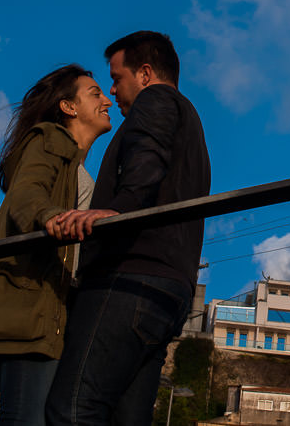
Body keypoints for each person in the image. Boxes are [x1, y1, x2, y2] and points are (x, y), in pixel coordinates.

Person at [45, 31, 210, 426]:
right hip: (170, 292)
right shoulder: (191, 126)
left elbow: (146, 156)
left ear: (146, 73)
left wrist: (116, 210)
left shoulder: (157, 100)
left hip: (128, 279)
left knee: (71, 410)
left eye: (117, 78)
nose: (113, 91)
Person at [0, 65, 113, 426]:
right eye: (96, 93)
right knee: (25, 419)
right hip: (29, 307)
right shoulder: (49, 137)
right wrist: (49, 215)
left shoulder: (76, 165)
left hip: (52, 308)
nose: (108, 100)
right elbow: (26, 195)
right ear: (69, 107)